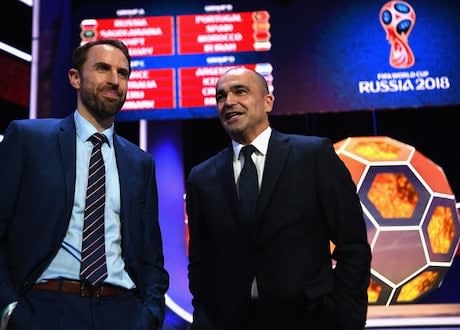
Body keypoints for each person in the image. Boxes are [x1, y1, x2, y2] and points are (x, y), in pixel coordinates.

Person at [0, 39, 169, 330]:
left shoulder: (140, 163)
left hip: (123, 312)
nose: (114, 81)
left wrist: (149, 315)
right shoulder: (29, 139)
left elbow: (151, 256)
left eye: (123, 73)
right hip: (43, 309)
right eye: (103, 68)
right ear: (75, 78)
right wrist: (8, 310)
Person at [186, 67, 371, 330]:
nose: (228, 102)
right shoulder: (202, 177)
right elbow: (201, 262)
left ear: (268, 101)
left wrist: (345, 319)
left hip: (309, 321)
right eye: (220, 96)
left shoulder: (313, 155)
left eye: (240, 91)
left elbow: (353, 245)